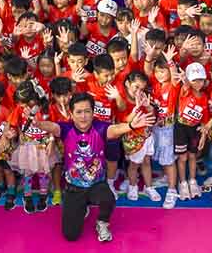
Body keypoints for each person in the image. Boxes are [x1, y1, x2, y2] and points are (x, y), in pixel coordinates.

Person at [36, 91, 155, 243]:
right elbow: (51, 127)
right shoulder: (66, 129)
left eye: (87, 111)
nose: (83, 116)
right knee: (70, 236)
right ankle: (81, 207)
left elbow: (116, 129)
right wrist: (37, 123)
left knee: (109, 198)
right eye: (79, 112)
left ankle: (102, 222)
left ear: (93, 113)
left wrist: (131, 125)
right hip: (74, 187)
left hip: (96, 184)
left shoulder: (100, 128)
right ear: (71, 114)